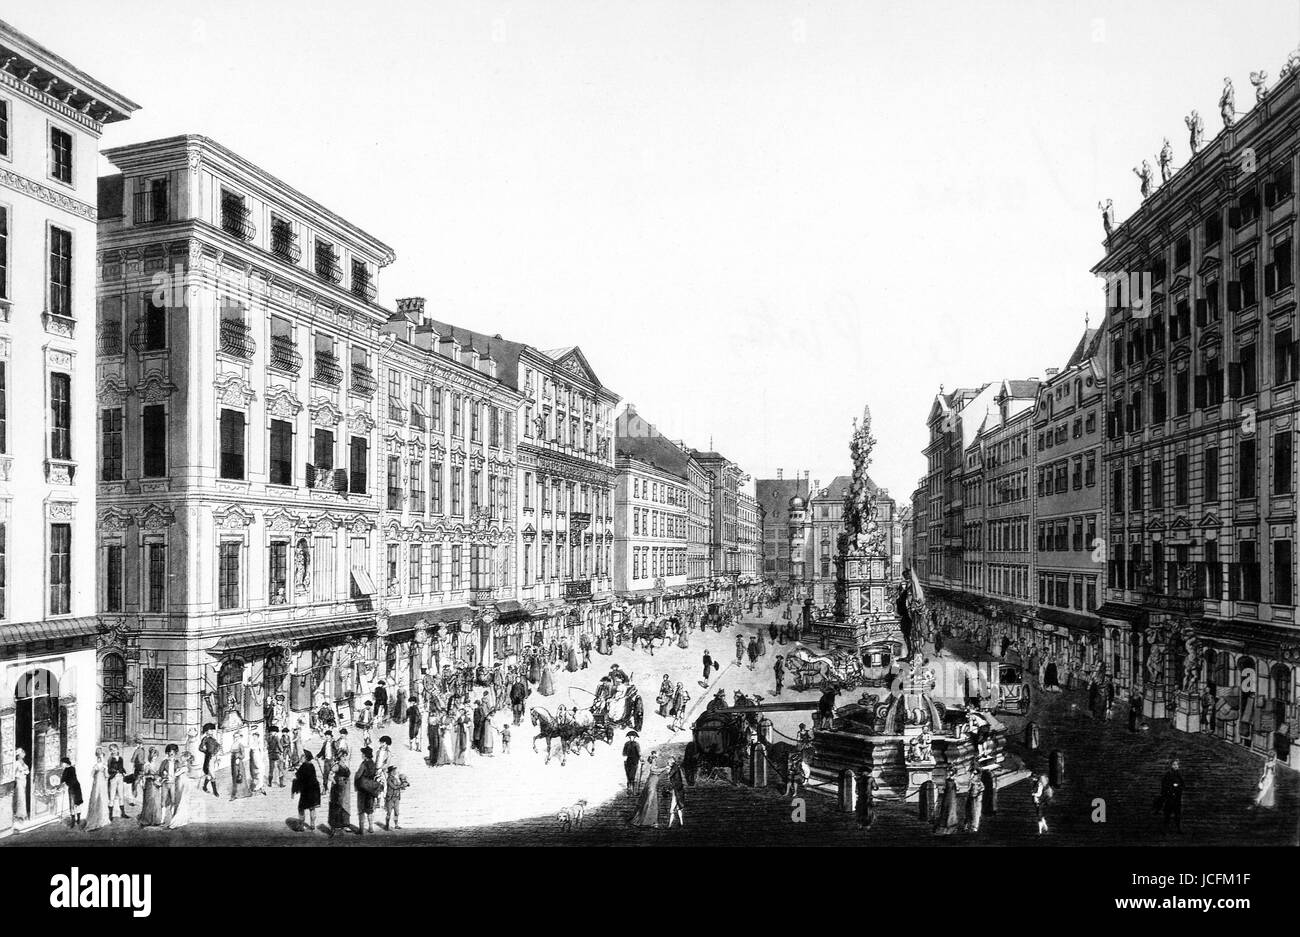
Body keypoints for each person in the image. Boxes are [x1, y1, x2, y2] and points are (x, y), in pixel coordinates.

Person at [628, 751, 667, 828]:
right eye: (656, 755)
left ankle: (651, 821)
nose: (657, 756)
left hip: (653, 781)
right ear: (654, 756)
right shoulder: (653, 760)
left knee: (652, 800)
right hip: (652, 782)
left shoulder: (655, 761)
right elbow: (653, 770)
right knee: (650, 800)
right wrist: (664, 768)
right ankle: (646, 821)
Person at [82, 748, 111, 832]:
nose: (100, 758)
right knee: (97, 799)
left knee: (101, 799)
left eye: (101, 757)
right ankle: (97, 820)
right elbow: (104, 775)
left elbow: (104, 775)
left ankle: (102, 819)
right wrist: (102, 771)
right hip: (98, 784)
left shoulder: (100, 765)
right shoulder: (99, 765)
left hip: (101, 784)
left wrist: (101, 771)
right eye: (100, 757)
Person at [166, 745, 192, 829]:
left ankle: (176, 822)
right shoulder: (183, 766)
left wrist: (167, 774)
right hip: (181, 783)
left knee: (181, 801)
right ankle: (179, 820)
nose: (180, 758)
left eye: (182, 757)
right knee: (179, 801)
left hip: (182, 784)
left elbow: (175, 774)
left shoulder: (185, 767)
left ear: (185, 758)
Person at [354, 746, 379, 834]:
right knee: (370, 808)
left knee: (361, 809)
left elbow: (358, 775)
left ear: (365, 755)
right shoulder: (373, 763)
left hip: (362, 788)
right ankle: (371, 827)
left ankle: (361, 829)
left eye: (362, 754)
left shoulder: (364, 764)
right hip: (371, 788)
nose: (362, 755)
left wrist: (356, 775)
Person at [327, 757, 352, 836]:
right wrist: (335, 782)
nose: (345, 758)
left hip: (345, 787)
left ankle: (345, 825)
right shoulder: (337, 766)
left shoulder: (345, 765)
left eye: (345, 756)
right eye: (343, 757)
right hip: (338, 788)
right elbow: (330, 776)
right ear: (340, 758)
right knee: (337, 805)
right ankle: (334, 826)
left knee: (345, 806)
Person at [138, 749, 163, 827]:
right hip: (149, 784)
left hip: (156, 785)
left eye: (156, 756)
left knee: (157, 802)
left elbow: (159, 774)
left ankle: (156, 820)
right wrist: (151, 776)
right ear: (150, 756)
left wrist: (159, 778)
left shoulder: (157, 764)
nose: (154, 758)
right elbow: (143, 775)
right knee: (149, 801)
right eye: (153, 756)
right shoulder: (147, 765)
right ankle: (147, 820)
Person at [1158, 758, 1184, 833]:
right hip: (1169, 798)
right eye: (1174, 764)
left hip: (1177, 798)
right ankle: (1165, 829)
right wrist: (1172, 787)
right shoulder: (1168, 774)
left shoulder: (1179, 775)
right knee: (1167, 814)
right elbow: (1164, 785)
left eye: (1177, 765)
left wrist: (1178, 786)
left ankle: (1178, 829)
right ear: (1171, 766)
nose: (1176, 766)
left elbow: (1183, 785)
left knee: (1177, 814)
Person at [933, 770, 960, 835]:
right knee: (945, 809)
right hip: (947, 796)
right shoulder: (946, 781)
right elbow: (944, 788)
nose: (949, 775)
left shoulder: (954, 781)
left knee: (951, 809)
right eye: (949, 774)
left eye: (951, 774)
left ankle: (951, 824)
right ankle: (944, 824)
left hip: (952, 797)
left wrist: (956, 782)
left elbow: (958, 789)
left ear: (953, 774)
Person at [59, 757, 84, 828]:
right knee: (77, 803)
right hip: (76, 786)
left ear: (65, 763)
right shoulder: (72, 768)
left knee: (73, 804)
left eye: (62, 763)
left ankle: (73, 822)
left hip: (73, 788)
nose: (62, 764)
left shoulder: (67, 770)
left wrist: (63, 784)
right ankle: (78, 819)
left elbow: (64, 779)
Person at [106, 743, 127, 820]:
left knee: (121, 796)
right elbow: (109, 769)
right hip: (113, 778)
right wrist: (116, 771)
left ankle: (123, 813)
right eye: (111, 750)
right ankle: (110, 815)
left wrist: (124, 772)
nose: (113, 751)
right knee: (112, 797)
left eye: (114, 749)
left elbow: (122, 767)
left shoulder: (121, 758)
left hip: (120, 778)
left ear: (117, 749)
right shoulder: (110, 759)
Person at [384, 765, 409, 830]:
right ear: (390, 772)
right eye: (394, 771)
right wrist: (401, 785)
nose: (395, 772)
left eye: (395, 770)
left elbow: (400, 786)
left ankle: (396, 825)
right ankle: (387, 825)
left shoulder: (396, 779)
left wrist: (405, 784)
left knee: (396, 812)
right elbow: (394, 787)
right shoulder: (389, 779)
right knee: (389, 812)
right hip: (390, 798)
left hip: (396, 798)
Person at [198, 724, 220, 797]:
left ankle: (204, 787)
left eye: (212, 730)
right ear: (207, 731)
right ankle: (215, 791)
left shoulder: (213, 738)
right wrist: (207, 752)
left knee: (209, 776)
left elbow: (218, 746)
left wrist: (216, 751)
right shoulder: (205, 739)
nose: (212, 731)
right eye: (210, 730)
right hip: (208, 758)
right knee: (212, 775)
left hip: (213, 758)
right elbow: (200, 748)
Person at [666, 756, 686, 827]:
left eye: (669, 762)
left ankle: (670, 825)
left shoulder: (674, 768)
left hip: (677, 789)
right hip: (678, 789)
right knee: (678, 807)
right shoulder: (676, 767)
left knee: (673, 808)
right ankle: (681, 823)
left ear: (671, 761)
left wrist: (668, 770)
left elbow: (670, 775)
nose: (668, 763)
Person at [13, 748, 29, 824]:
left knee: (23, 797)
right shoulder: (16, 763)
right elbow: (14, 773)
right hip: (19, 781)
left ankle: (23, 815)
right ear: (18, 755)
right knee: (20, 797)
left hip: (24, 781)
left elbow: (27, 771)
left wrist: (25, 772)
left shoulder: (23, 762)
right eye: (22, 753)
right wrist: (20, 773)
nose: (24, 754)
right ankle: (20, 815)